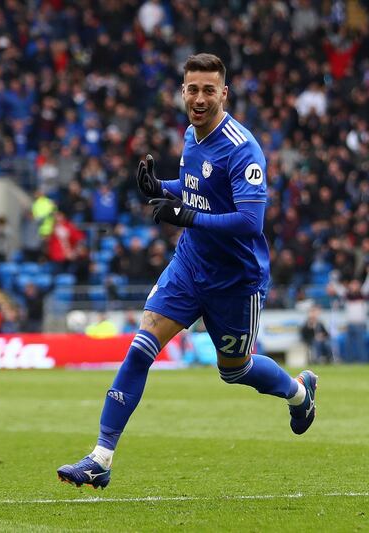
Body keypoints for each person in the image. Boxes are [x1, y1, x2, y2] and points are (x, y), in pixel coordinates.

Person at [57, 54, 318, 490]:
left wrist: (186, 216)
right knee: (142, 346)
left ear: (224, 94)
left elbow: (249, 221)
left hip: (236, 280)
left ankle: (299, 393)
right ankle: (100, 457)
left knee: (234, 370)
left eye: (208, 90)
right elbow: (196, 188)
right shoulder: (191, 136)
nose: (199, 98)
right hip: (191, 263)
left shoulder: (242, 148)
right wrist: (161, 188)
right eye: (192, 89)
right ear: (183, 92)